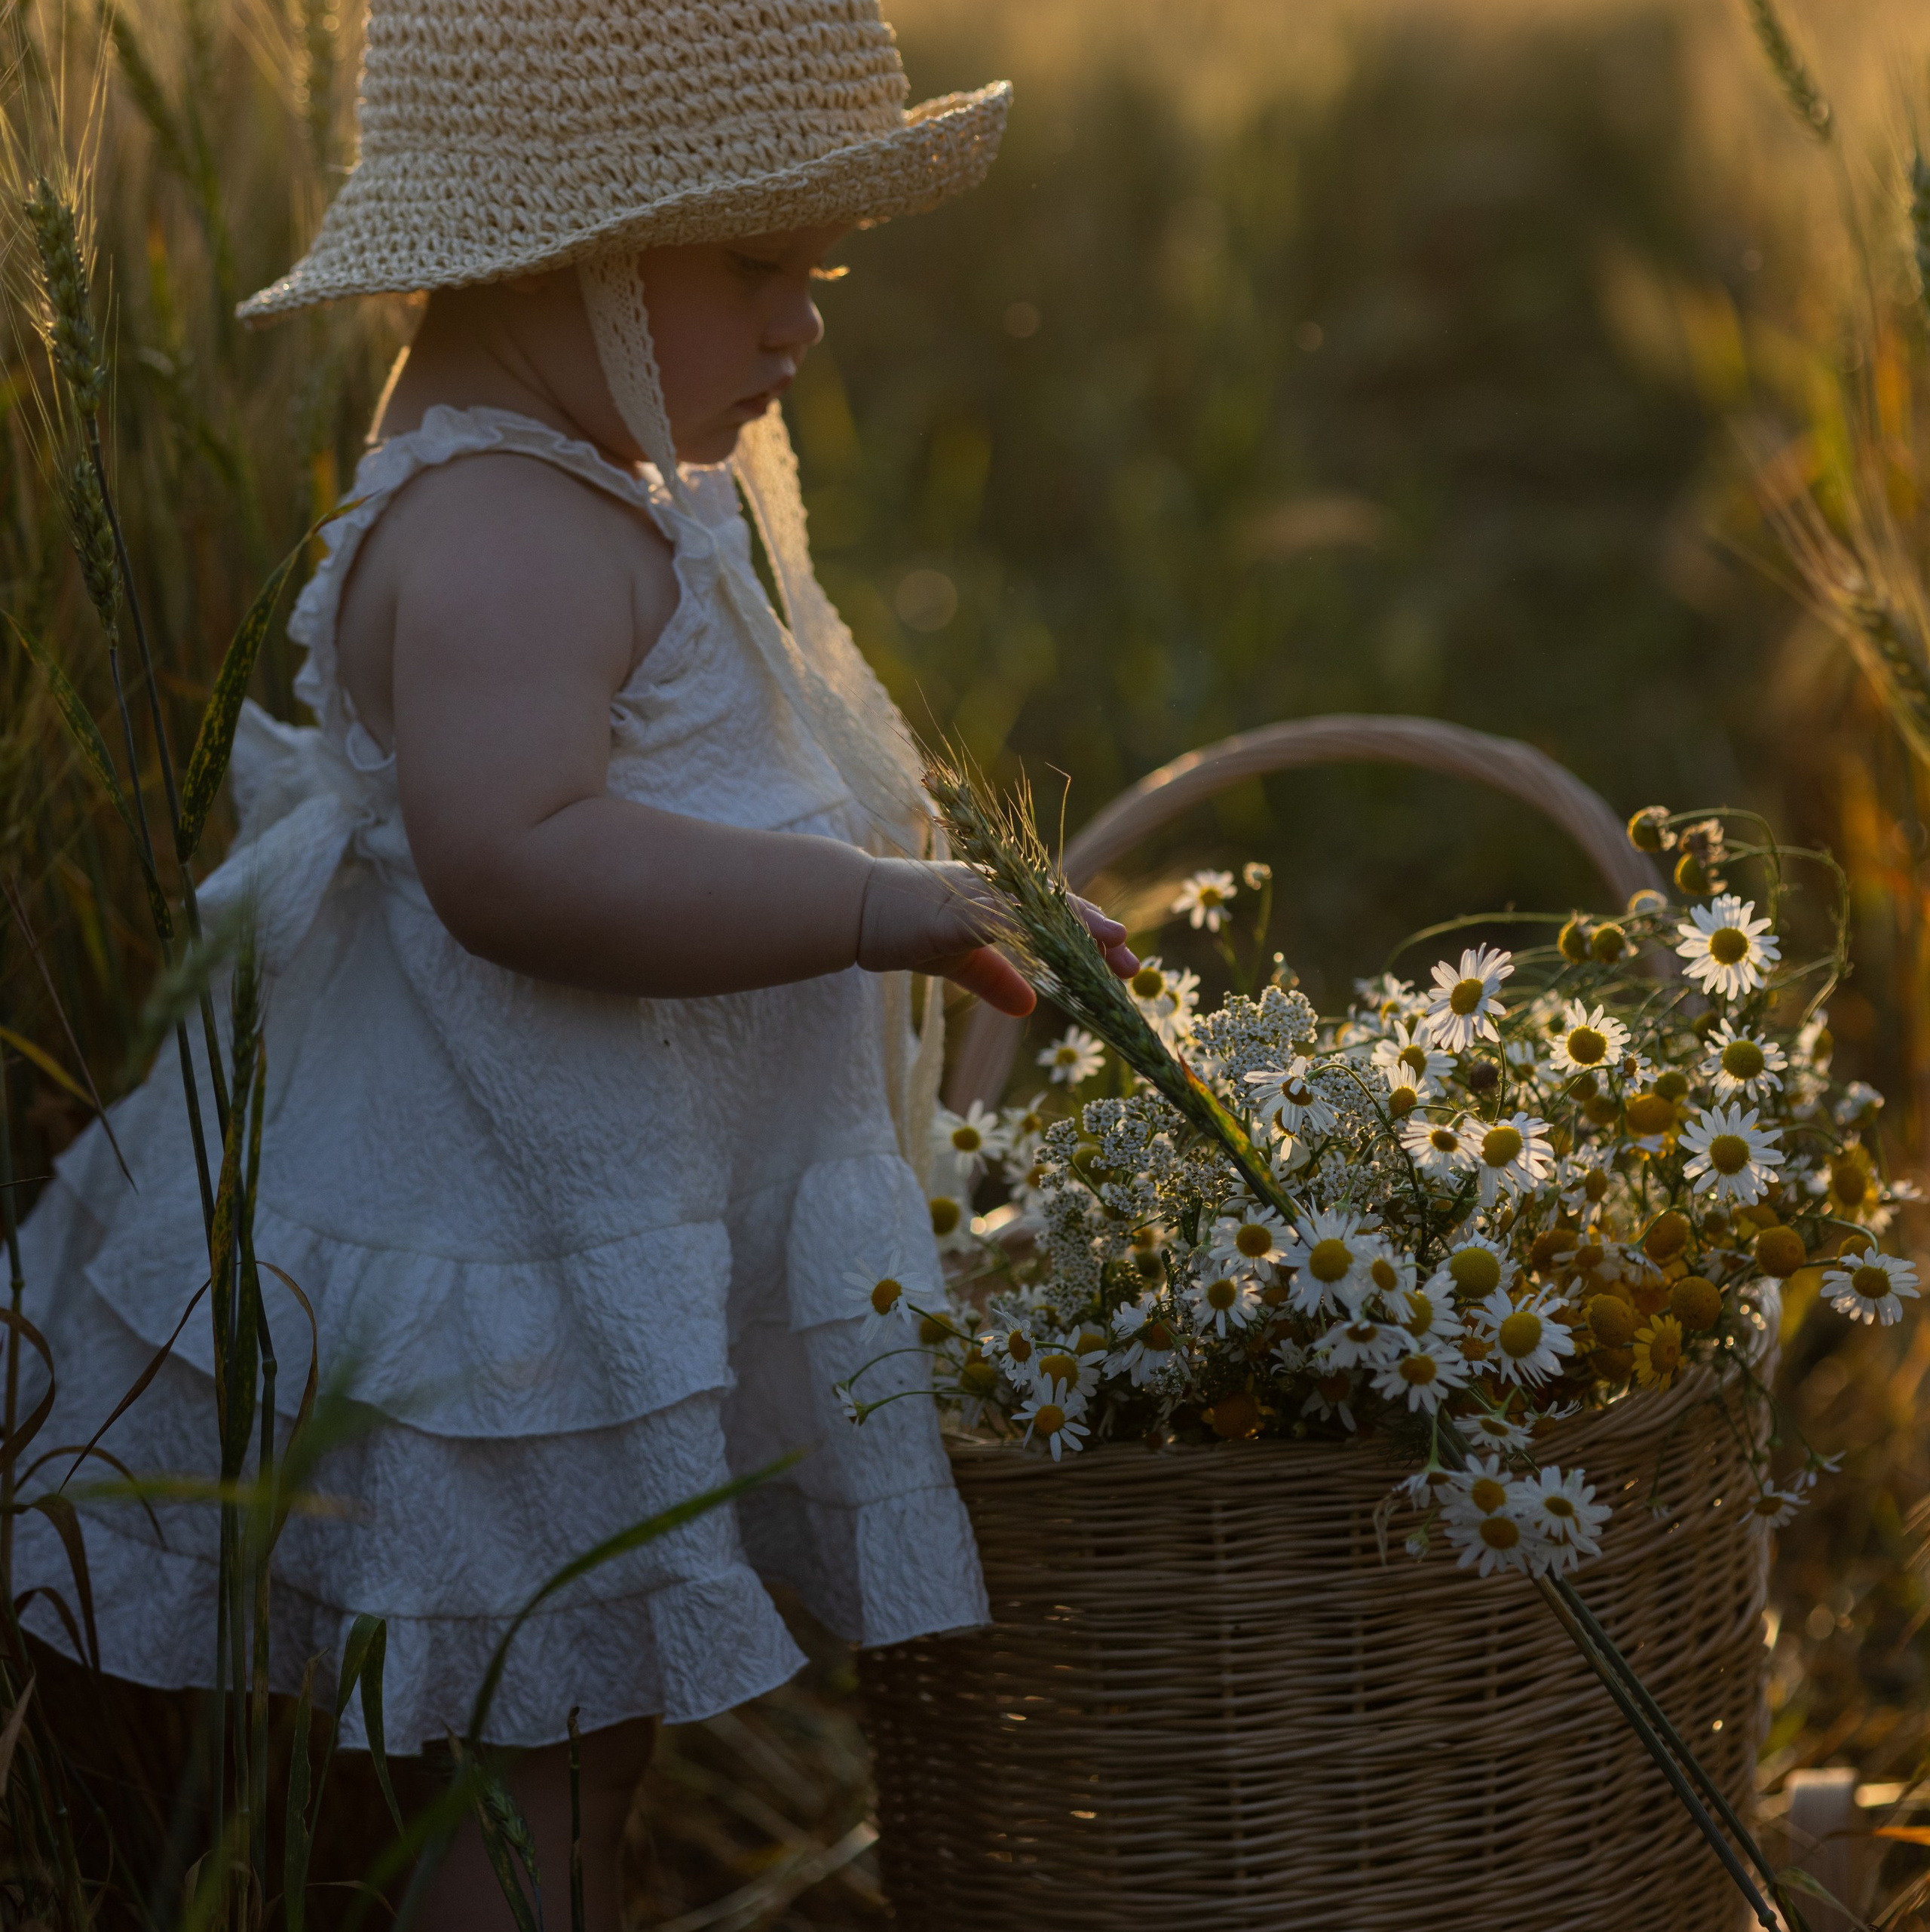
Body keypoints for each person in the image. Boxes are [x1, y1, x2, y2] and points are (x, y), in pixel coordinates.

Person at [10, 4, 1133, 1923]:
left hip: (595, 1223)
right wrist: (880, 908)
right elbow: (516, 862)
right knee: (544, 1748)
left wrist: (942, 897)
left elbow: (721, 769)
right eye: (758, 265)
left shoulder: (592, 485)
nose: (805, 322)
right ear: (573, 258)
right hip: (506, 1263)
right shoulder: (505, 532)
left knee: (587, 1738)